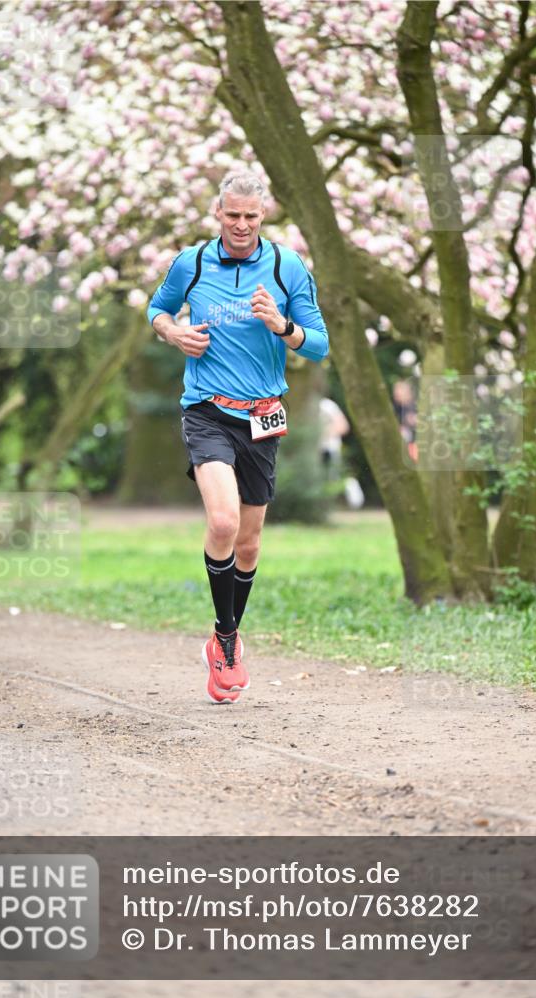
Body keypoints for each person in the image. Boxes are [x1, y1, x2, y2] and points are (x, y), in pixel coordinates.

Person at [146, 171, 329, 704]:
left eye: (251, 216)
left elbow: (317, 345)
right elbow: (157, 309)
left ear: (263, 215)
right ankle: (226, 643)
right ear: (217, 212)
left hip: (262, 417)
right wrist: (172, 331)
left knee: (248, 543)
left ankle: (225, 639)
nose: (242, 225)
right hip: (206, 411)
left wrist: (282, 327)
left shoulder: (286, 266)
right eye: (232, 215)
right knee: (223, 521)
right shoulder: (193, 262)